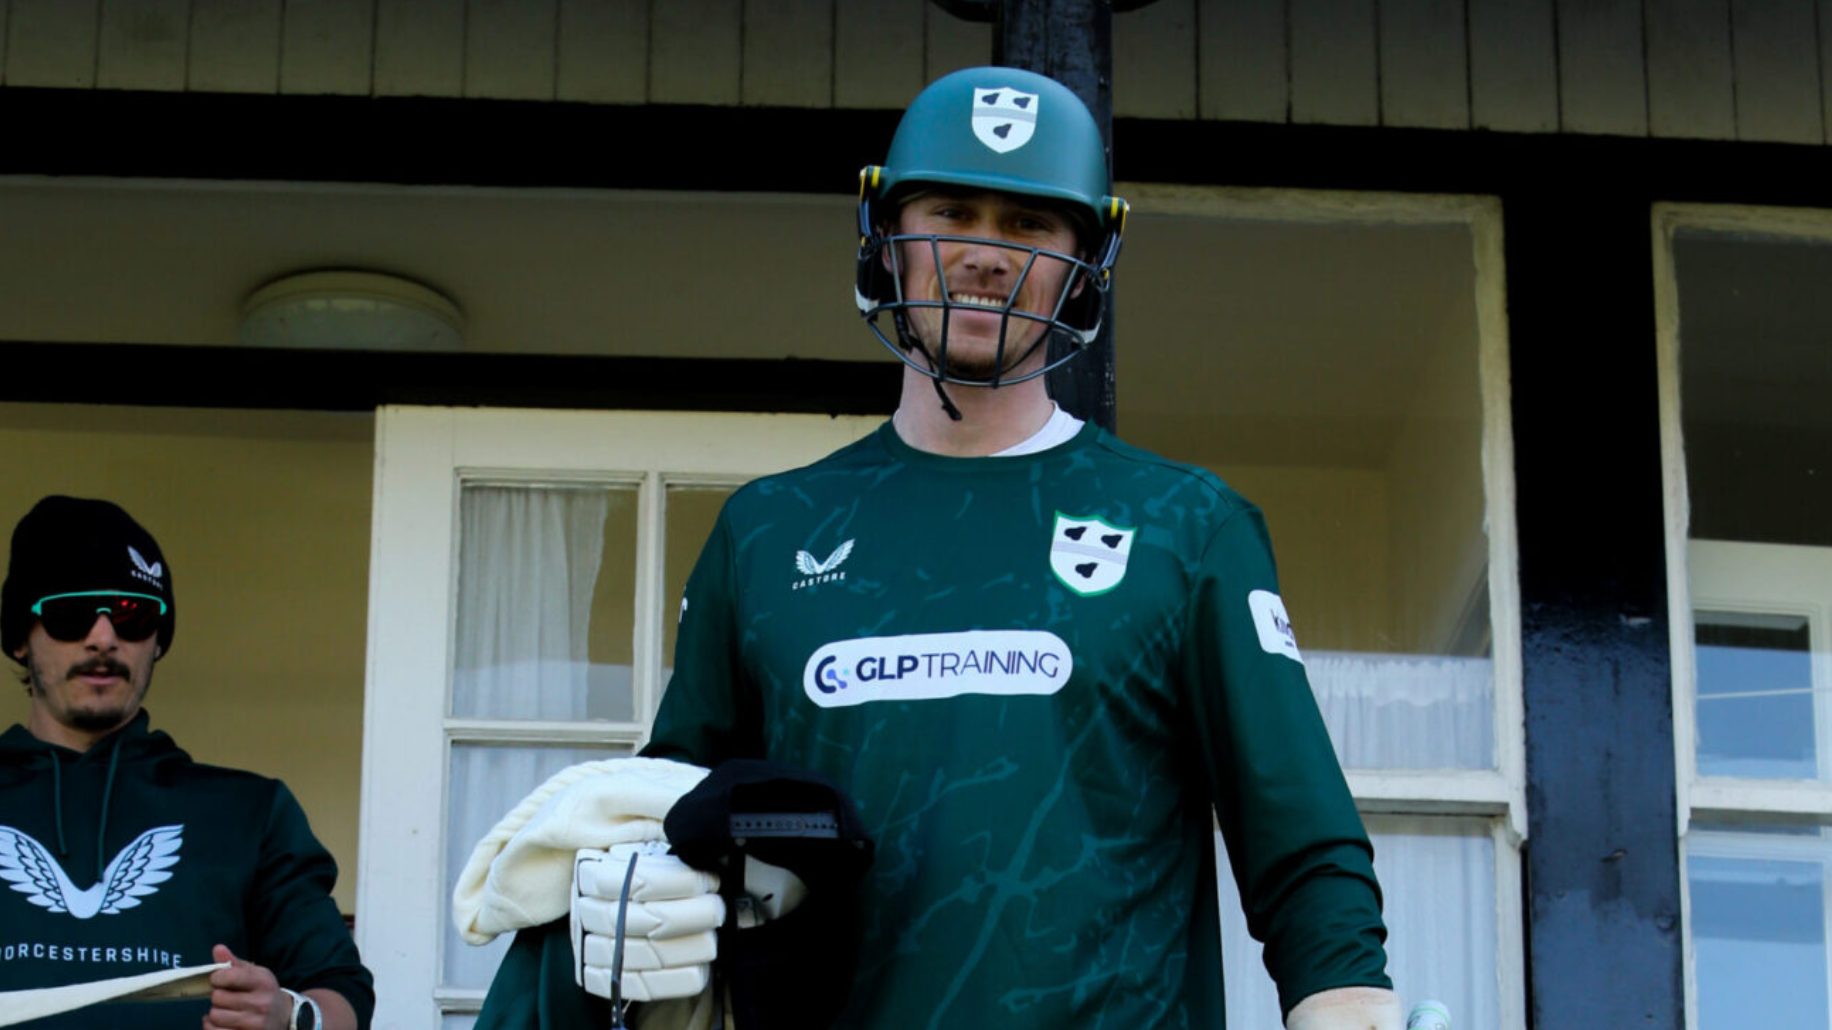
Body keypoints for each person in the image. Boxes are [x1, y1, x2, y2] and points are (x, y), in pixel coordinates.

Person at [625, 66, 1404, 1030]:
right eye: (953, 211)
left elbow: (1301, 846)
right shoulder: (767, 530)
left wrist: (1348, 1001)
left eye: (1030, 224)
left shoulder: (1188, 527)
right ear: (887, 236)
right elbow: (664, 816)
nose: (987, 254)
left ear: (1087, 256)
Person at [0, 496, 374, 1030]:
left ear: (157, 641)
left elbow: (345, 997)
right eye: (70, 614)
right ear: (19, 637)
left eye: (134, 614)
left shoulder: (249, 812)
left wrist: (288, 1014)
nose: (103, 637)